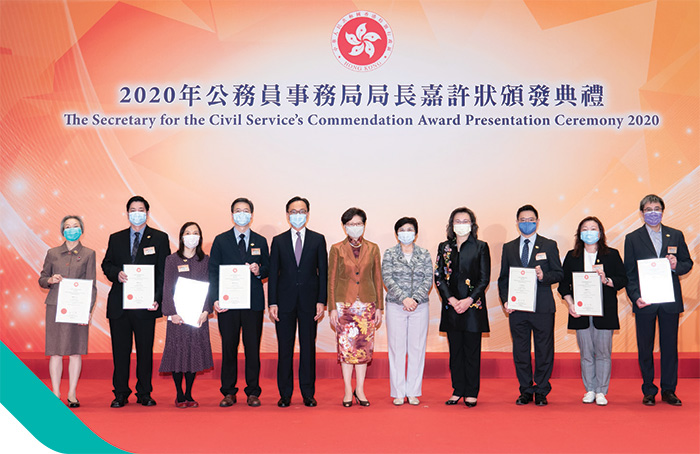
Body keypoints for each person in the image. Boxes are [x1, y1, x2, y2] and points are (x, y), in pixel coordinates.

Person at [624, 194, 693, 406]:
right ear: (641, 213)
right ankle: (648, 390)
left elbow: (687, 263)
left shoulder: (676, 235)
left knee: (669, 346)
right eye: (648, 209)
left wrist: (675, 266)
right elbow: (630, 273)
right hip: (645, 301)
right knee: (645, 347)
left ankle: (669, 390)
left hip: (669, 301)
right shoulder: (633, 238)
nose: (653, 213)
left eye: (656, 209)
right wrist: (636, 298)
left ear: (662, 211)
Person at [102, 196, 170, 408]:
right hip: (120, 306)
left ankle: (144, 392)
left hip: (145, 306)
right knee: (120, 352)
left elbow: (163, 272)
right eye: (133, 209)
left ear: (147, 213)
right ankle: (120, 393)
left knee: (144, 352)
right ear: (127, 213)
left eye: (141, 209)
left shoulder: (159, 238)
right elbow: (106, 264)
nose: (137, 212)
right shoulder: (116, 238)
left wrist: (157, 299)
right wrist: (117, 273)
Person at [557, 216, 627, 406]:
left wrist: (606, 280)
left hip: (604, 312)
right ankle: (590, 389)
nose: (589, 232)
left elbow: (623, 279)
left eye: (593, 228)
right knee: (586, 353)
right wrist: (570, 303)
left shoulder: (612, 254)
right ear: (580, 234)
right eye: (585, 229)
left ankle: (602, 391)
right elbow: (563, 286)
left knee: (603, 353)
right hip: (580, 313)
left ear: (600, 232)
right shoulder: (572, 257)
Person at [498, 204, 563, 406]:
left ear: (538, 221)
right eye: (523, 220)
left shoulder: (549, 245)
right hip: (518, 309)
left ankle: (542, 390)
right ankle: (525, 390)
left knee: (544, 350)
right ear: (517, 222)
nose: (527, 223)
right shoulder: (508, 247)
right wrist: (506, 300)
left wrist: (544, 276)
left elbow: (559, 274)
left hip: (542, 307)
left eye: (531, 219)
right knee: (521, 350)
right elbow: (503, 279)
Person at [209, 197, 269, 407]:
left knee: (252, 348)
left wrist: (259, 270)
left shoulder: (260, 241)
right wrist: (215, 299)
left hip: (252, 304)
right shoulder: (220, 240)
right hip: (228, 304)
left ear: (251, 215)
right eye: (237, 210)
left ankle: (253, 391)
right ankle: (228, 392)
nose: (241, 213)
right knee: (229, 347)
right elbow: (213, 271)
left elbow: (268, 267)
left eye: (245, 210)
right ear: (232, 214)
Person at [268, 196, 328, 408]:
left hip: (310, 303)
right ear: (287, 215)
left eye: (301, 211)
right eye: (293, 212)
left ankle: (307, 393)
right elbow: (274, 274)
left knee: (308, 348)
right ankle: (285, 394)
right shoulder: (278, 241)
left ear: (308, 214)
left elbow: (324, 272)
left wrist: (322, 301)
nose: (297, 215)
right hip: (283, 303)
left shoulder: (318, 239)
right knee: (284, 348)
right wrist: (272, 302)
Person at [38, 215, 97, 408]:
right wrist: (50, 280)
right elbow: (42, 278)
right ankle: (55, 393)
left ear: (82, 229)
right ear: (62, 230)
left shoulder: (89, 253)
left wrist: (88, 310)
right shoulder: (52, 253)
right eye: (68, 226)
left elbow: (91, 284)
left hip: (78, 308)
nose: (72, 229)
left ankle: (72, 393)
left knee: (75, 352)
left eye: (76, 226)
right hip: (56, 307)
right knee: (55, 352)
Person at [435, 208, 490, 407]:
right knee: (455, 351)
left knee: (472, 351)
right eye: (457, 221)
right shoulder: (444, 247)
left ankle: (471, 391)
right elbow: (439, 276)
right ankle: (458, 389)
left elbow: (484, 279)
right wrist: (450, 299)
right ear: (451, 224)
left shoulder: (481, 247)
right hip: (451, 308)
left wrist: (468, 300)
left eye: (465, 220)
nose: (461, 224)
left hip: (473, 308)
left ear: (472, 224)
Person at [328, 207, 383, 407]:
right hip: (344, 306)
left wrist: (379, 307)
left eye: (358, 223)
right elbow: (331, 279)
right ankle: (347, 391)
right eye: (351, 224)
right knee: (346, 349)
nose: (355, 227)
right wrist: (332, 308)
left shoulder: (373, 248)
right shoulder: (336, 249)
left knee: (362, 349)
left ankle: (360, 389)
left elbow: (377, 278)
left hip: (367, 305)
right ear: (344, 227)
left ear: (364, 225)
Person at [159, 222, 213, 408]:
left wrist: (206, 310)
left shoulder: (206, 260)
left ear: (200, 237)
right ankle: (179, 394)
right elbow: (167, 287)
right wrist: (171, 313)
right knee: (177, 354)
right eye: (188, 233)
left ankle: (189, 393)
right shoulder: (171, 260)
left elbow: (210, 287)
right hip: (178, 318)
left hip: (197, 317)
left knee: (193, 355)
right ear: (182, 237)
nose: (192, 236)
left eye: (195, 232)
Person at [382, 217, 433, 406]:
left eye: (410, 229)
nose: (406, 232)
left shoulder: (424, 253)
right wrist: (404, 298)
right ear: (397, 234)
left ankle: (412, 391)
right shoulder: (389, 253)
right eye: (402, 229)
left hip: (420, 307)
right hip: (396, 305)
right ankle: (398, 391)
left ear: (416, 233)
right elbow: (387, 277)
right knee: (397, 348)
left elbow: (428, 278)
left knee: (417, 349)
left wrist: (415, 300)